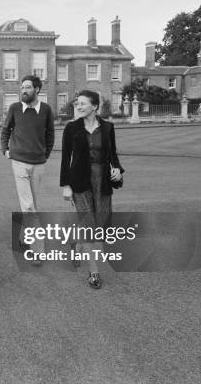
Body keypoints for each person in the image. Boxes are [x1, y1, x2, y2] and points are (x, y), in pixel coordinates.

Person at [60, 90, 124, 289]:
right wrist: (66, 185)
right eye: (77, 103)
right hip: (79, 180)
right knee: (88, 223)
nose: (78, 106)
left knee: (100, 224)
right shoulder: (71, 128)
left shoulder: (107, 128)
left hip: (102, 180)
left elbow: (112, 155)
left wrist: (118, 172)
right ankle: (94, 271)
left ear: (94, 106)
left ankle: (76, 243)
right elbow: (65, 159)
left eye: (82, 103)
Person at [1, 75, 55, 263]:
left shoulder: (46, 110)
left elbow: (50, 135)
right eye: (22, 87)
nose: (23, 90)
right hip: (20, 163)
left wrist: (45, 155)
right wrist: (5, 150)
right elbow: (5, 129)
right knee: (29, 206)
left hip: (38, 164)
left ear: (37, 90)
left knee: (32, 205)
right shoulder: (15, 108)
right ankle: (38, 251)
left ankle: (24, 238)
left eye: (28, 87)